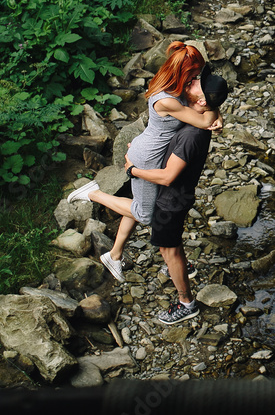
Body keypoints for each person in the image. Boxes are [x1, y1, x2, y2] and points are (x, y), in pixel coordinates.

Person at [68, 69, 227, 324]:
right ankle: (167, 266)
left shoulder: (192, 135)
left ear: (201, 101)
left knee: (169, 249)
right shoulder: (194, 115)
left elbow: (166, 177)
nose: (193, 81)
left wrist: (133, 170)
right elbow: (168, 129)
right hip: (174, 197)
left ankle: (187, 303)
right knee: (164, 240)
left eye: (198, 83)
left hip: (170, 200)